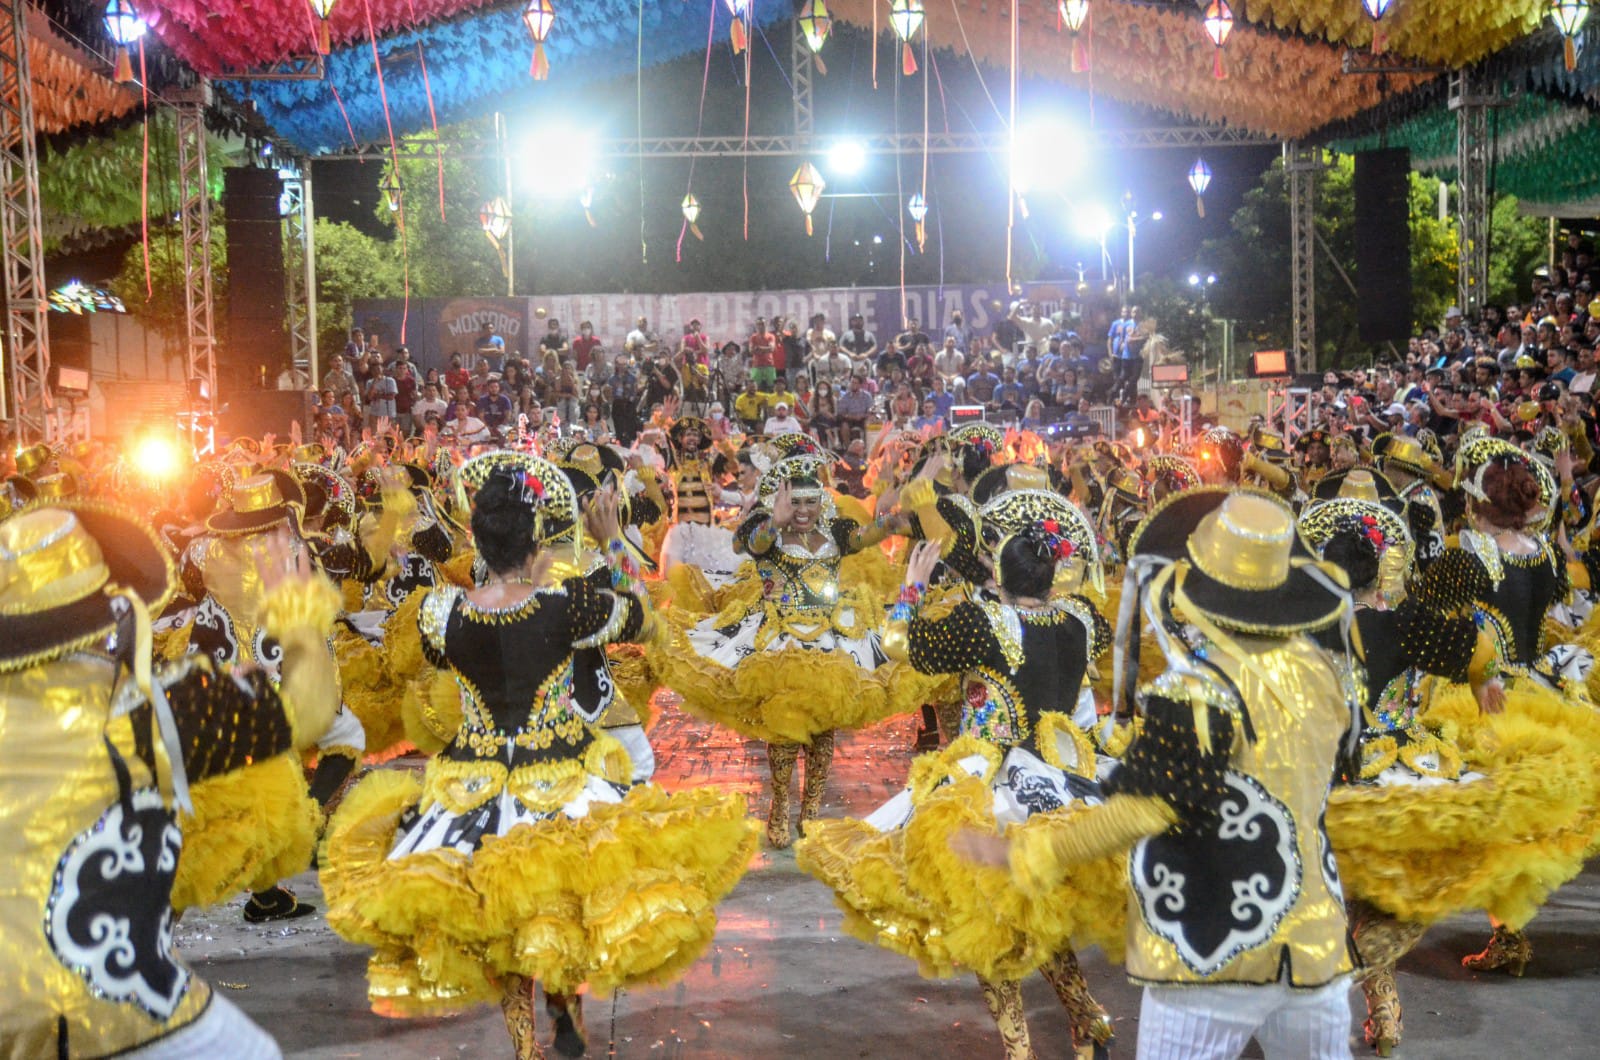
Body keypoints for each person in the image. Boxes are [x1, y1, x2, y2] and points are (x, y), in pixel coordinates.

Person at [321, 456, 757, 1060]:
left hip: (468, 792)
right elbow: (642, 611)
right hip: (558, 779)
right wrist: (610, 547)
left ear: (478, 538)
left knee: (498, 918)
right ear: (536, 544)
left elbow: (435, 658)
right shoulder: (566, 606)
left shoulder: (441, 613)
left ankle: (525, 1046)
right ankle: (565, 1010)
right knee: (556, 905)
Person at [958, 489, 1362, 1060]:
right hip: (1317, 941)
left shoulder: (1197, 691)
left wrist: (1025, 855)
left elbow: (1143, 809)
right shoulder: (1325, 672)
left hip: (1212, 948)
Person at [0, 502, 341, 1060]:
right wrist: (300, 621)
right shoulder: (144, 711)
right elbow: (308, 709)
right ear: (104, 608)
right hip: (118, 1010)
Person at [798, 494, 1117, 1060]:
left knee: (987, 923)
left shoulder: (985, 621)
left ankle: (1021, 1050)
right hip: (1062, 785)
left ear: (1000, 574)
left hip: (990, 786)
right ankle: (1088, 1020)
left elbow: (899, 646)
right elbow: (1027, 606)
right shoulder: (1079, 620)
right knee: (1039, 915)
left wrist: (914, 586)